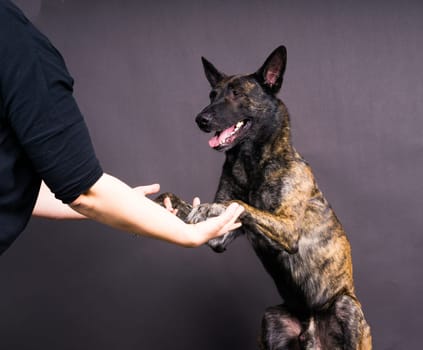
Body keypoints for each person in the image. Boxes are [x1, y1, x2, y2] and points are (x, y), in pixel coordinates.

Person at [0, 0, 244, 255]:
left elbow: (14, 181)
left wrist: (128, 206)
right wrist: (188, 233)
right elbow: (85, 193)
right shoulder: (20, 47)